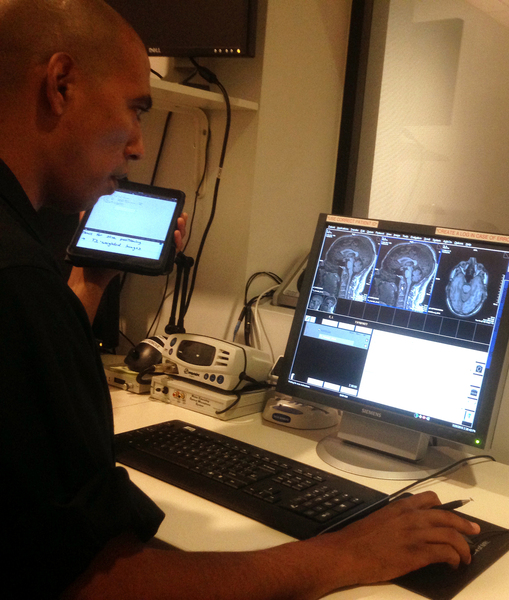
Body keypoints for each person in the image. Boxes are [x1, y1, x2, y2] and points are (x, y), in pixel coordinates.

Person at [0, 1, 479, 598]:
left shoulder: (22, 273)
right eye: (135, 109)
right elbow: (98, 584)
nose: (139, 146)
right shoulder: (18, 282)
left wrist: (92, 277)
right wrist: (345, 553)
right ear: (61, 84)